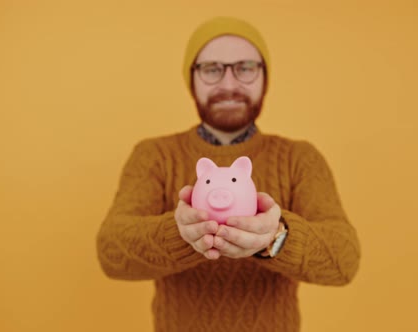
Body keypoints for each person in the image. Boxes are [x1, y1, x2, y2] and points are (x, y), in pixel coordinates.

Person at [96, 16, 360, 332]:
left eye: (245, 68)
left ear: (265, 76)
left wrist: (276, 237)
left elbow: (344, 261)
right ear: (191, 79)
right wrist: (182, 234)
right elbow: (111, 251)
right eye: (212, 69)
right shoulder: (154, 156)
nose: (229, 83)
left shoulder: (298, 158)